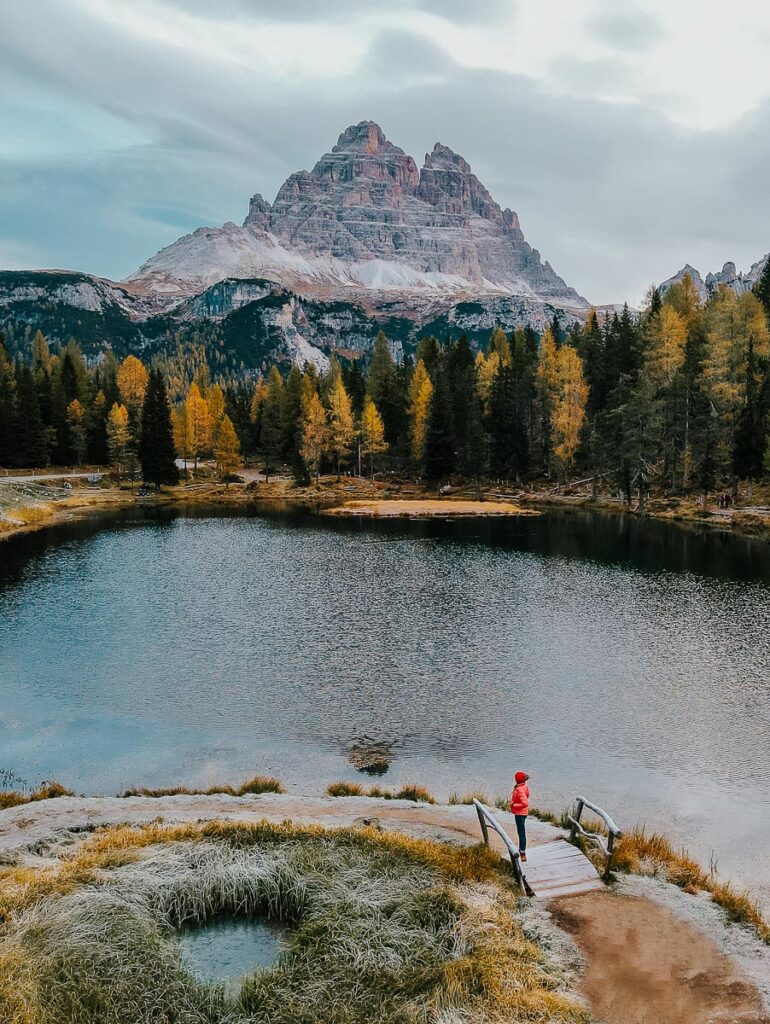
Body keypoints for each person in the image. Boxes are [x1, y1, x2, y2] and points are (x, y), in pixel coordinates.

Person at [509, 770, 530, 862]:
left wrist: (514, 805)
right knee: (520, 831)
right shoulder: (524, 785)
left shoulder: (520, 789)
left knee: (521, 833)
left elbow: (525, 803)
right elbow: (528, 795)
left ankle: (522, 853)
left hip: (520, 814)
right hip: (522, 813)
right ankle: (522, 850)